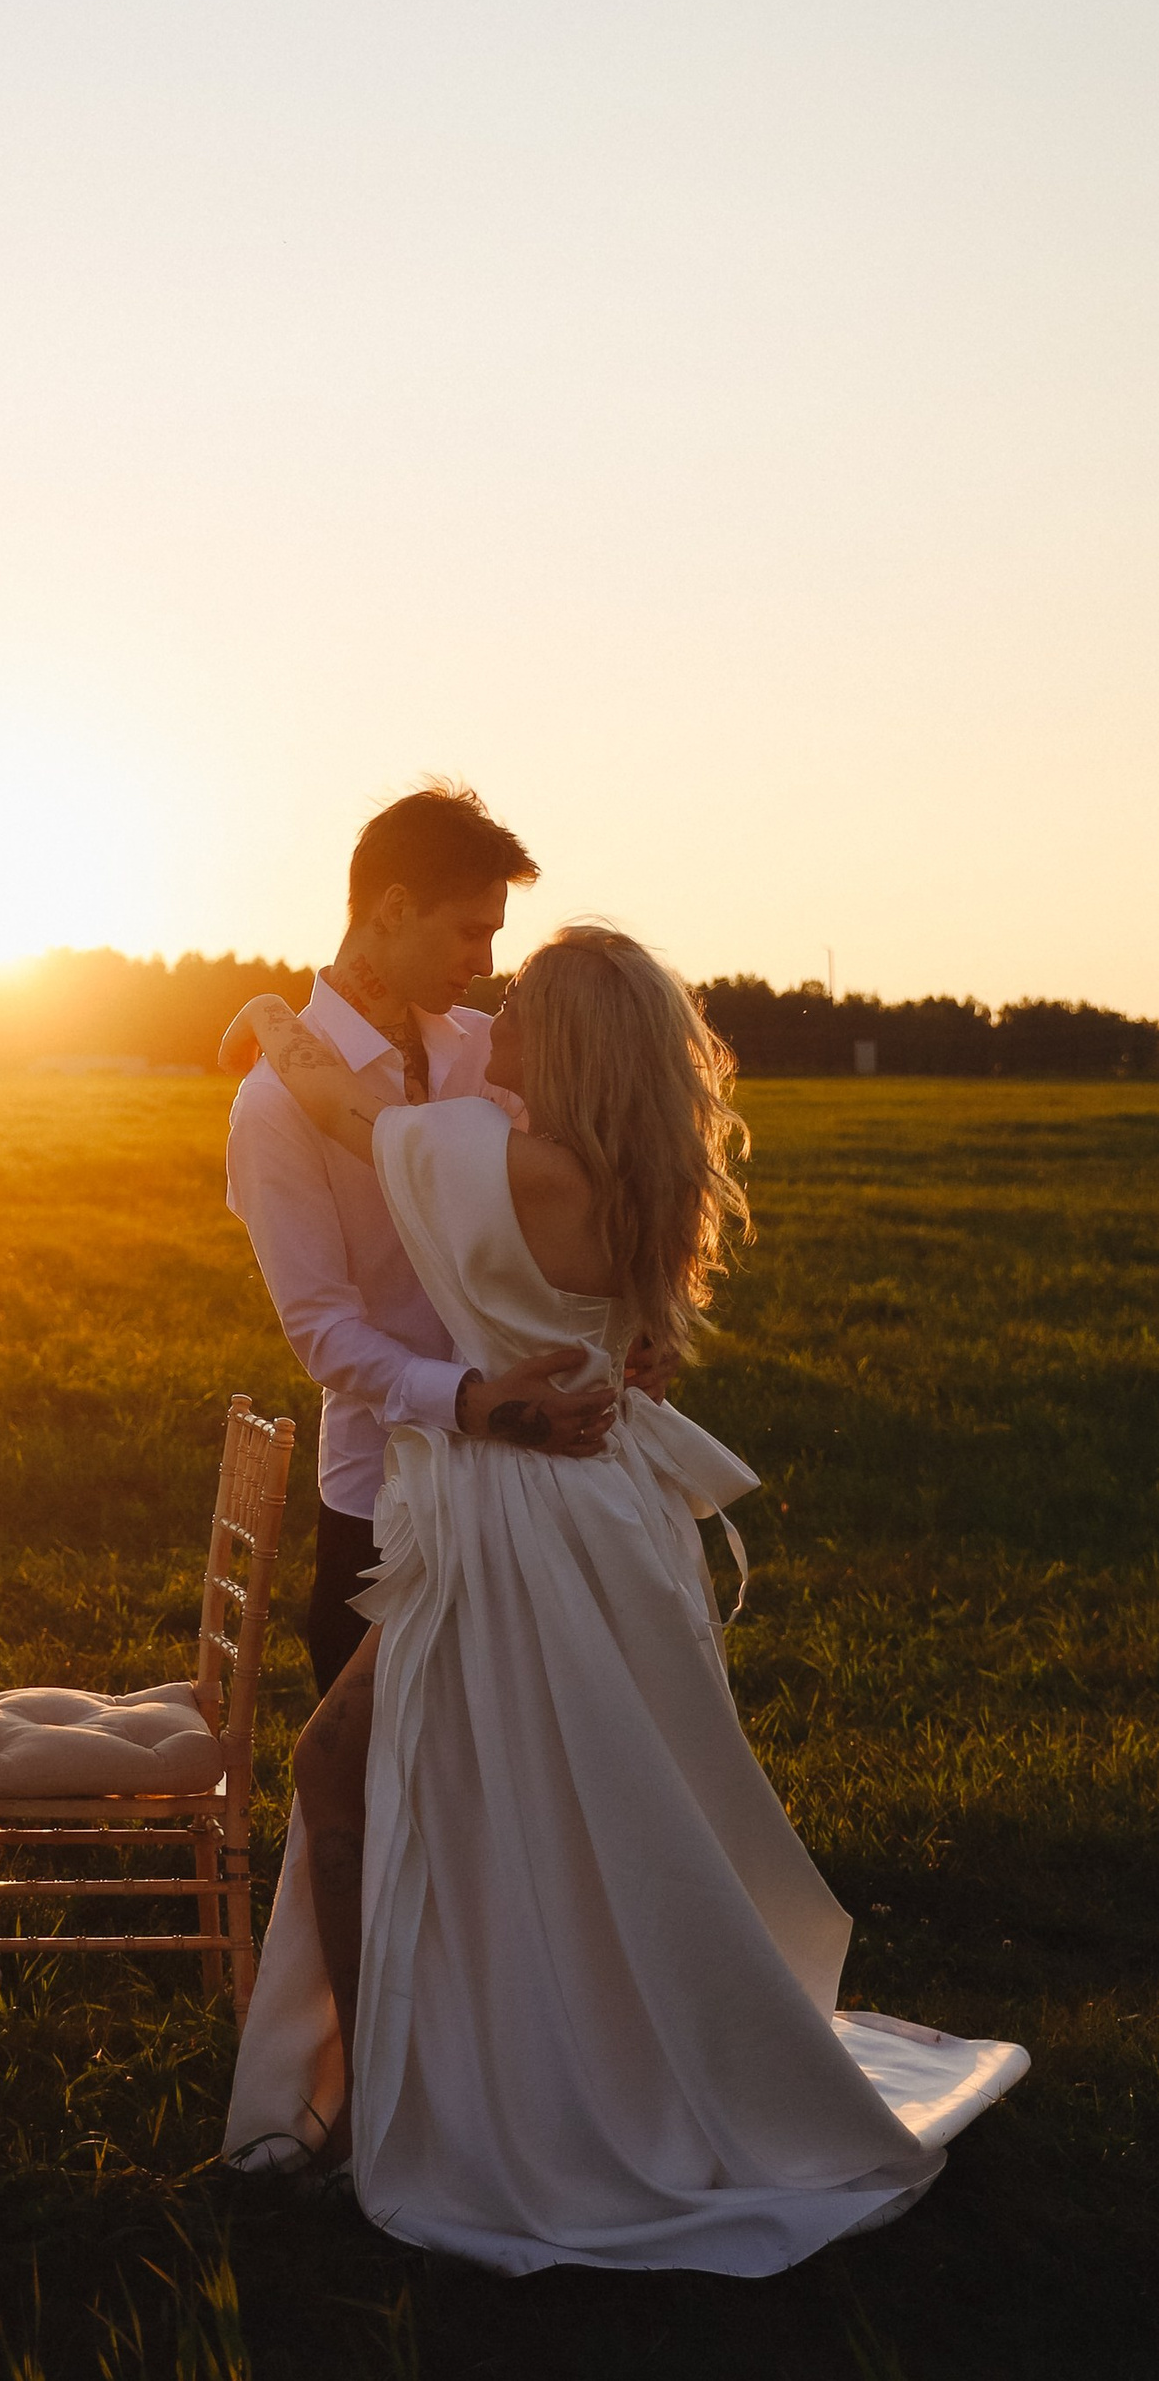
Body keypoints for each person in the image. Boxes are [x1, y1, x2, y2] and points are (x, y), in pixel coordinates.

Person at [219, 923, 1026, 2274]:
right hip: (598, 1507)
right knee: (550, 1795)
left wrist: (261, 1010)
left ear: (575, 1041)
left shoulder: (512, 1163)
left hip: (521, 1519)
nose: (496, 1010)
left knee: (421, 1780)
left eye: (525, 1002)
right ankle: (463, 2066)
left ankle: (411, 2110)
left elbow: (341, 1107)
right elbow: (617, 1333)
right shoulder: (627, 1170)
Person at [223, 785, 629, 1697]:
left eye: (494, 937)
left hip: (537, 1483)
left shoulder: (498, 1049)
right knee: (378, 1771)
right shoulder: (273, 1105)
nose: (485, 965)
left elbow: (589, 1206)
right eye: (469, 933)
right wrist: (471, 1402)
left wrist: (632, 1334)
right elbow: (323, 1330)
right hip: (381, 1501)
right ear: (394, 907)